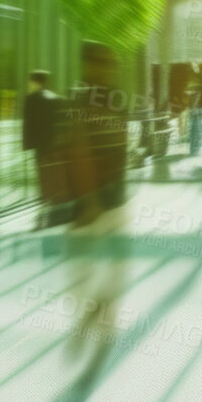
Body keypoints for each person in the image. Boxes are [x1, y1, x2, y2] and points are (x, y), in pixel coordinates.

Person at [62, 42, 133, 369]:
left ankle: (100, 320)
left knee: (117, 271)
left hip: (116, 199)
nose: (107, 68)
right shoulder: (79, 101)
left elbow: (121, 149)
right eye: (102, 62)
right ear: (87, 65)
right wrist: (89, 199)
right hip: (91, 204)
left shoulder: (117, 100)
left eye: (110, 62)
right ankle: (94, 317)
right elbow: (78, 151)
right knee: (85, 274)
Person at [23, 71, 70, 229]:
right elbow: (62, 121)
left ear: (34, 82)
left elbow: (28, 124)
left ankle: (44, 198)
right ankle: (55, 199)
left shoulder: (30, 99)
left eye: (30, 81)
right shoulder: (56, 99)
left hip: (39, 145)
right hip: (53, 143)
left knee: (42, 171)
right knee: (54, 171)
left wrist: (27, 144)